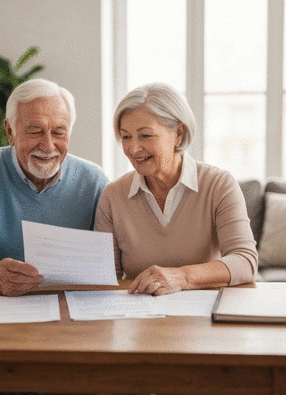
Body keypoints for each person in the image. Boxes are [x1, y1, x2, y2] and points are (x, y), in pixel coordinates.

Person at [0, 78, 108, 296]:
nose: (48, 145)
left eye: (59, 132)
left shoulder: (94, 181)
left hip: (71, 308)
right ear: (10, 131)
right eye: (35, 131)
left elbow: (114, 261)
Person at [94, 82, 258, 296]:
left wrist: (181, 277)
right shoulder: (113, 196)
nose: (133, 148)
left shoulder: (218, 185)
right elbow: (106, 280)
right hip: (139, 321)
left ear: (178, 133)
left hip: (204, 320)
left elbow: (245, 261)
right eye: (126, 137)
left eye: (145, 135)